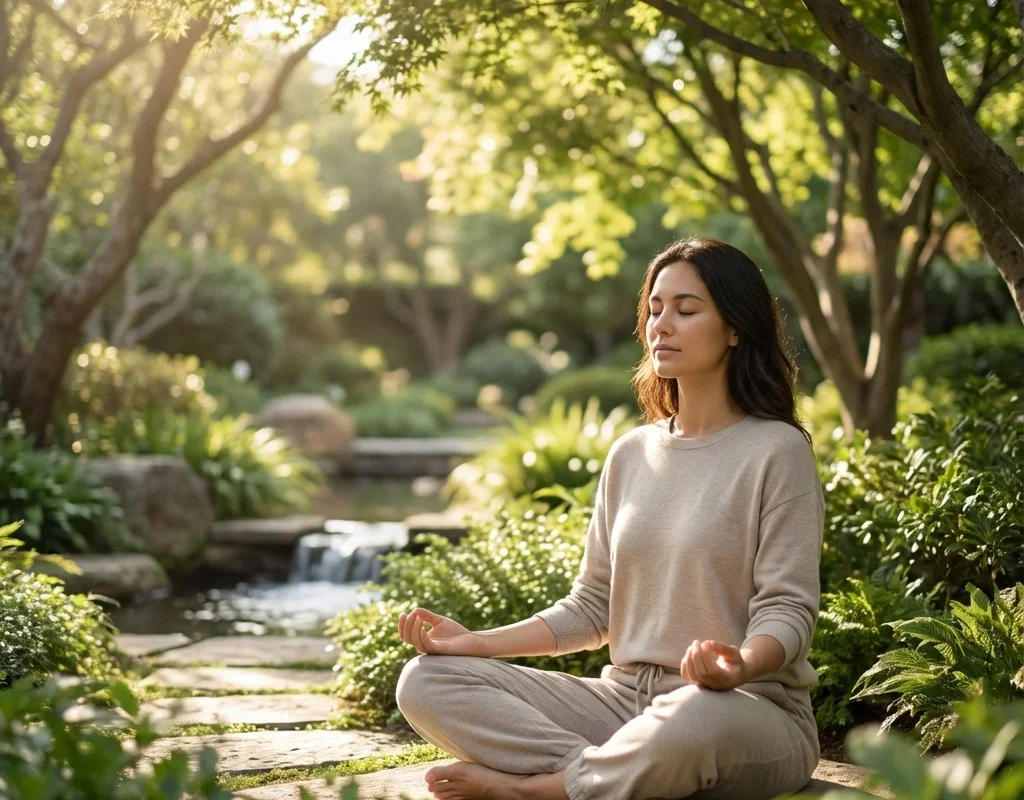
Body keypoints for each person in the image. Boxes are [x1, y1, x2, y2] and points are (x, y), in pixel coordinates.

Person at [395, 237, 825, 800]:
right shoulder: (632, 453)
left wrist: (737, 667)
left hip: (743, 710)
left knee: (690, 719)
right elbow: (593, 605)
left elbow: (789, 609)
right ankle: (620, 778)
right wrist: (475, 644)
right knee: (426, 681)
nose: (661, 325)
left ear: (736, 328)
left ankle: (534, 791)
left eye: (686, 310)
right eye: (654, 309)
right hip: (623, 704)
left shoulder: (777, 451)